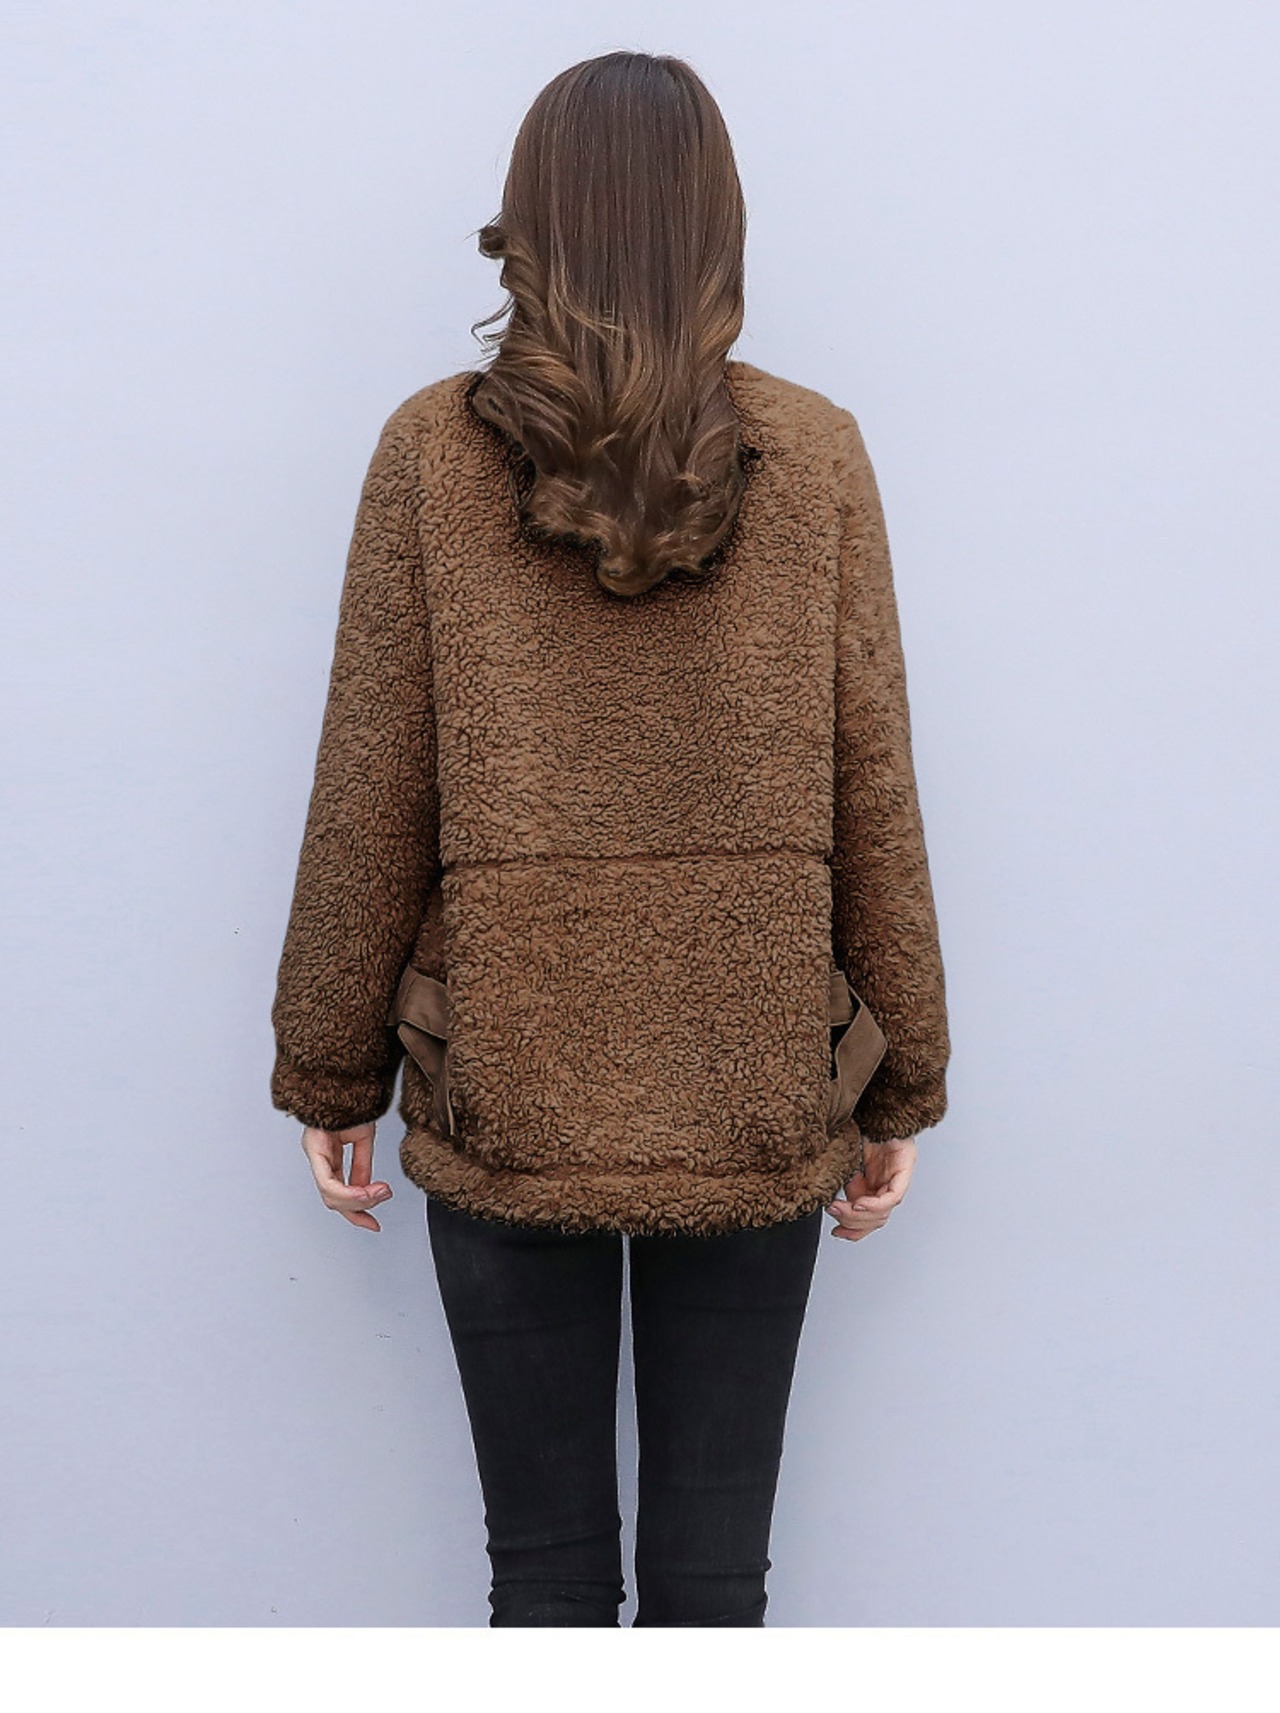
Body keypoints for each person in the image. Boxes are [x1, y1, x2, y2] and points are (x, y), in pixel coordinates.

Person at [269, 50, 950, 1627]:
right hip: (751, 1074)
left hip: (509, 1074)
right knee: (716, 1583)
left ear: (533, 224)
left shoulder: (430, 453)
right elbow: (875, 785)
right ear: (718, 225)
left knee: (545, 1576)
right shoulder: (816, 453)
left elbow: (369, 784)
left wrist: (329, 1064)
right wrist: (899, 1070)